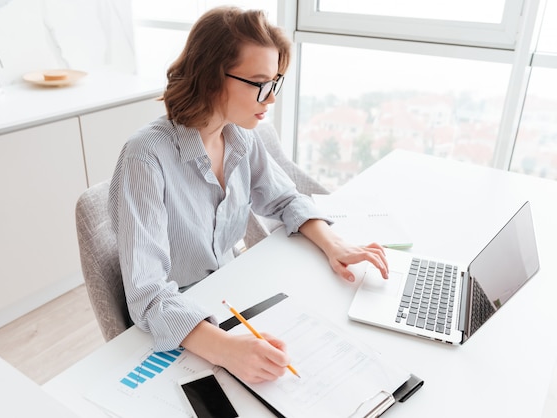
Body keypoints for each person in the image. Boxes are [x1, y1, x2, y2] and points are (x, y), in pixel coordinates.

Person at [108, 6, 389, 384]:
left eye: (275, 82)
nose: (270, 99)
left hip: (229, 296)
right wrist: (227, 349)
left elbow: (286, 200)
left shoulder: (239, 138)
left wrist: (334, 244)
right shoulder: (146, 156)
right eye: (259, 83)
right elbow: (148, 295)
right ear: (210, 78)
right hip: (176, 327)